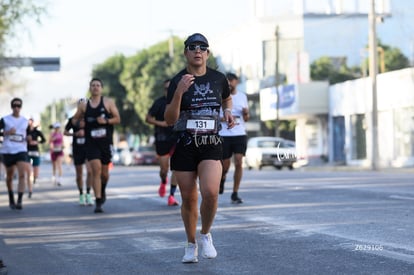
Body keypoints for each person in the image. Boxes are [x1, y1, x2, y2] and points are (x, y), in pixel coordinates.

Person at [164, 33, 235, 263]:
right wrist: (178, 93)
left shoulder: (218, 78)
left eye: (202, 47)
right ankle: (190, 243)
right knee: (189, 198)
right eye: (193, 47)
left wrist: (227, 112)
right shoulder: (178, 80)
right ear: (186, 52)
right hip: (185, 144)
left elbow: (226, 99)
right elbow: (169, 119)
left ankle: (205, 234)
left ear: (208, 53)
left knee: (211, 193)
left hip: (210, 143)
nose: (198, 50)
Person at [72, 78, 121, 213]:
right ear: (89, 88)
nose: (95, 87)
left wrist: (106, 120)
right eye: (93, 85)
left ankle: (102, 190)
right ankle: (98, 201)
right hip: (91, 143)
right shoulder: (84, 105)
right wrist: (78, 125)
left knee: (104, 174)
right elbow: (74, 119)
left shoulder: (108, 102)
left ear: (101, 88)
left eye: (98, 85)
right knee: (95, 169)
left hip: (105, 143)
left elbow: (117, 119)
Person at [145, 79, 179, 206]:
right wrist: (162, 124)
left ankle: (171, 195)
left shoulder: (179, 101)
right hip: (162, 138)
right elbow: (147, 119)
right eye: (166, 88)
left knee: (176, 167)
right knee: (164, 169)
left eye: (171, 88)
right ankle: (163, 181)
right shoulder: (158, 103)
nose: (168, 91)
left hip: (177, 138)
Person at [219, 73, 250, 203]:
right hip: (224, 134)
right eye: (227, 81)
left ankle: (235, 192)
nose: (229, 83)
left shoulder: (242, 96)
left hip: (239, 133)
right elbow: (215, 116)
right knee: (225, 165)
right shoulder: (221, 96)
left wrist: (246, 113)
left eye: (231, 80)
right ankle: (222, 178)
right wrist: (226, 118)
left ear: (236, 81)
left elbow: (246, 119)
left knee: (238, 162)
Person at [0, 98, 29, 210]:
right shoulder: (5, 120)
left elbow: (29, 134)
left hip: (21, 150)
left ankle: (19, 200)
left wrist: (30, 137)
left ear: (21, 107)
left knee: (22, 174)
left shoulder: (25, 121)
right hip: (8, 150)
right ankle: (11, 197)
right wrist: (6, 132)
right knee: (10, 176)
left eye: (18, 106)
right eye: (14, 106)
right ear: (11, 107)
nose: (16, 108)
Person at [64, 109, 93, 206]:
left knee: (90, 171)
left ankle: (88, 194)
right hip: (77, 150)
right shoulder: (72, 120)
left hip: (88, 148)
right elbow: (65, 132)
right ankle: (81, 194)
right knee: (79, 174)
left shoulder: (89, 118)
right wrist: (75, 134)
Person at [26, 118, 46, 197]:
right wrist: (27, 140)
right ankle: (30, 190)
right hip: (27, 152)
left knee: (35, 172)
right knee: (29, 172)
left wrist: (37, 142)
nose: (30, 123)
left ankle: (34, 178)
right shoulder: (25, 131)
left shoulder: (37, 131)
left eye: (31, 121)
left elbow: (44, 140)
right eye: (29, 121)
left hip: (35, 152)